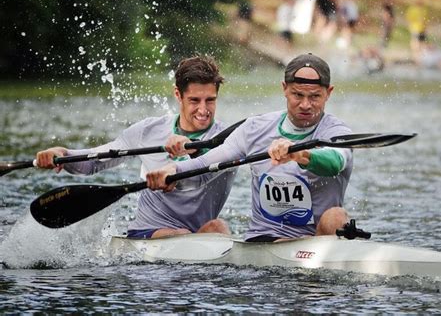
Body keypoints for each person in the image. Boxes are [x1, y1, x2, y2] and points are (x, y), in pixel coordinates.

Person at [148, 54, 353, 242]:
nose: (306, 105)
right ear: (284, 89)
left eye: (315, 96)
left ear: (329, 93)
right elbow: (208, 163)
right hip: (264, 242)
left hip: (316, 242)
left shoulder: (337, 132)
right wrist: (173, 171)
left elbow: (335, 162)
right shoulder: (255, 128)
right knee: (216, 228)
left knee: (336, 217)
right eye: (297, 95)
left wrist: (301, 154)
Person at [35, 55, 236, 239]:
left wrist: (194, 148)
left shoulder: (228, 140)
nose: (203, 109)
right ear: (178, 94)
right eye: (194, 100)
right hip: (148, 233)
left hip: (195, 234)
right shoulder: (148, 131)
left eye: (210, 100)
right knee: (186, 234)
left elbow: (196, 178)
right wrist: (62, 154)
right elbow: (95, 161)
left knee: (217, 228)